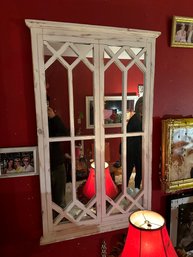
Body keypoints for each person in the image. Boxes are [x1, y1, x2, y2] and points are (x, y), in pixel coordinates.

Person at [47, 96, 69, 210]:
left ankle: (61, 220)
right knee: (47, 200)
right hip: (44, 166)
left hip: (58, 163)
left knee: (60, 199)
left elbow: (65, 133)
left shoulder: (53, 121)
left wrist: (54, 118)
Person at [126, 97, 143, 193]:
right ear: (138, 106)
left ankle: (136, 187)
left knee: (139, 168)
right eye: (141, 105)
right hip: (132, 149)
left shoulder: (141, 118)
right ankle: (126, 188)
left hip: (138, 148)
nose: (143, 107)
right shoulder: (135, 119)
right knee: (129, 168)